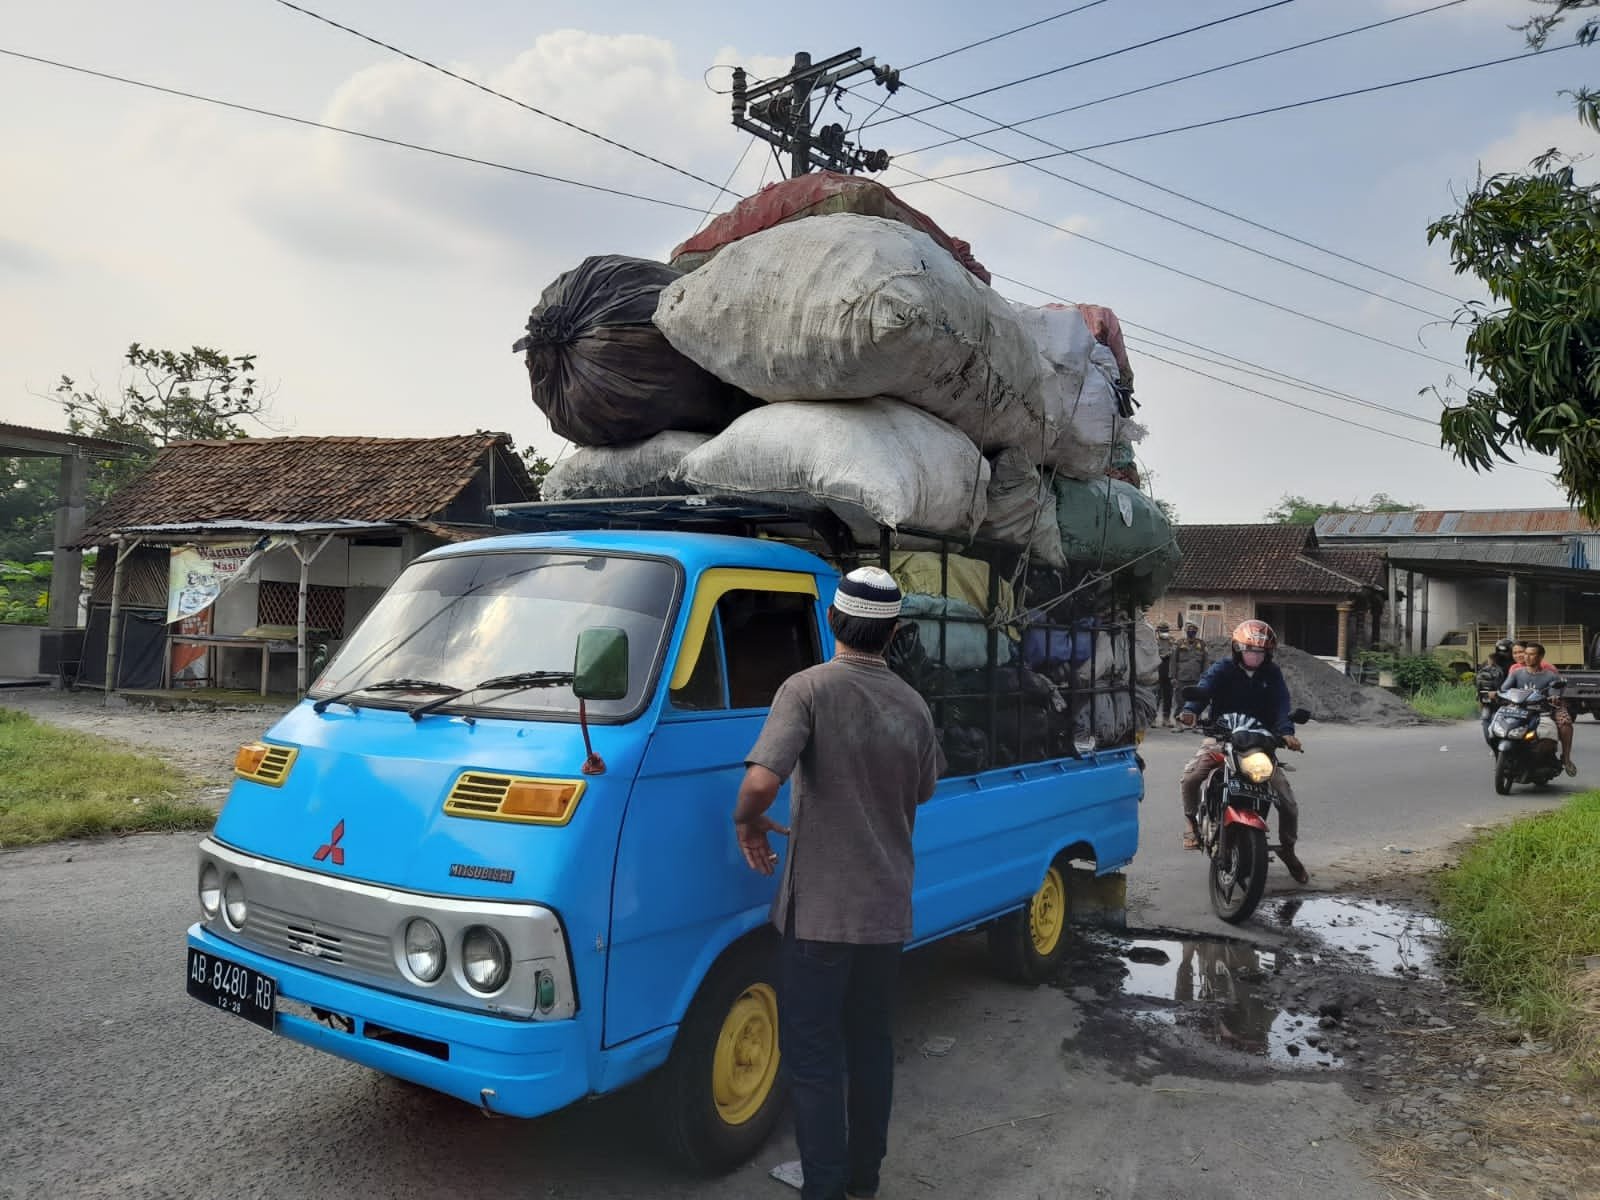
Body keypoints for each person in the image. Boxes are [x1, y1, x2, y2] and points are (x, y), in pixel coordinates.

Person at [733, 566, 942, 1200]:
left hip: (820, 915)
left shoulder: (807, 688)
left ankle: (822, 1184)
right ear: (896, 632)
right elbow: (925, 790)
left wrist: (747, 824)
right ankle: (861, 1182)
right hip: (885, 912)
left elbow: (763, 781)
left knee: (814, 1056)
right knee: (871, 1048)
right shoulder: (913, 703)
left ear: (831, 619)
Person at [1176, 619, 1308, 885]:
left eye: (1259, 652)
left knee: (1288, 803)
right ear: (1237, 649)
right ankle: (1191, 822)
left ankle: (1288, 849)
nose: (1254, 656)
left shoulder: (1272, 674)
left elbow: (1282, 705)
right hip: (1223, 739)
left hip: (1260, 744)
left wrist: (1287, 732)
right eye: (1249, 650)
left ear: (1267, 654)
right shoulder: (1222, 668)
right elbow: (1204, 689)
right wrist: (1190, 711)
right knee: (1191, 777)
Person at [1502, 641, 1577, 776]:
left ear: (1540, 657)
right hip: (1519, 708)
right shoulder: (1516, 673)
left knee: (1565, 722)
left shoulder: (1550, 674)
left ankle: (1566, 758)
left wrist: (1553, 697)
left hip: (1545, 710)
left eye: (1532, 654)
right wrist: (1497, 693)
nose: (1527, 657)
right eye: (1526, 654)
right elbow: (1504, 689)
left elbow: (1555, 691)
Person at [1475, 638, 1518, 752]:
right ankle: (1495, 749)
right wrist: (1483, 696)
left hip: (1510, 700)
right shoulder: (1489, 664)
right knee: (1486, 721)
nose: (1503, 654)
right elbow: (1479, 683)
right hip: (1492, 700)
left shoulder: (1517, 666)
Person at [1170, 622, 1209, 731]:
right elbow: (1173, 661)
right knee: (1180, 701)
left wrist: (1205, 676)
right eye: (1189, 629)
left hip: (1197, 678)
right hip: (1181, 677)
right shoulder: (1179, 643)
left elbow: (1206, 662)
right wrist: (1172, 677)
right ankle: (1178, 724)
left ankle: (1195, 725)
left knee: (1197, 701)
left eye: (1194, 629)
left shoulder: (1201, 645)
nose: (1191, 631)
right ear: (1186, 631)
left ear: (1196, 631)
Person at [1155, 621, 1175, 728]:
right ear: (1158, 631)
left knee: (1168, 696)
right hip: (1157, 671)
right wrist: (1162, 654)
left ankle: (1166, 719)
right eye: (1162, 631)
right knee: (1156, 696)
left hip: (1169, 671)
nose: (1164, 633)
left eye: (1166, 630)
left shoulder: (1172, 641)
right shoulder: (1154, 642)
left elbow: (1175, 654)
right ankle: (1153, 718)